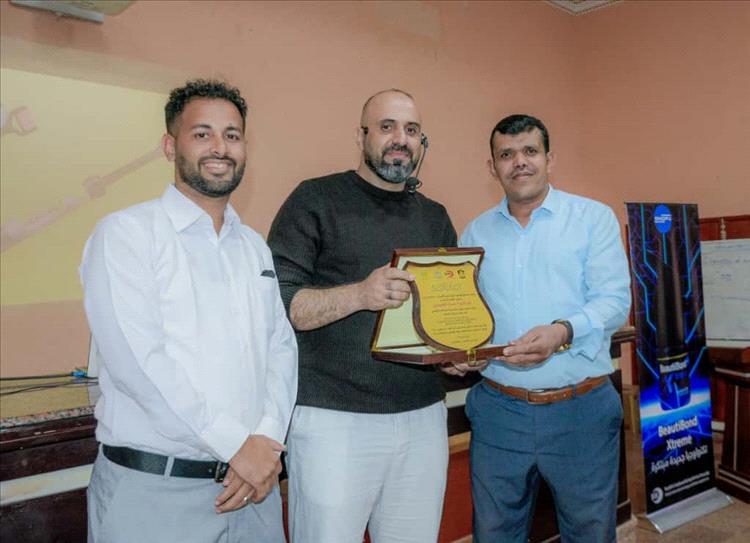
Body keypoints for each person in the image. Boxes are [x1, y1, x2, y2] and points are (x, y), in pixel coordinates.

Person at [81, 79, 297, 543]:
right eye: (202, 134)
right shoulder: (126, 235)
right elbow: (139, 364)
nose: (220, 147)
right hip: (157, 492)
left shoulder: (253, 246)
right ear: (169, 145)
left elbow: (280, 347)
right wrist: (237, 446)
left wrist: (266, 441)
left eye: (232, 135)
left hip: (253, 489)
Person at [267, 89, 459, 543]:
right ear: (361, 135)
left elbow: (445, 316)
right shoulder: (315, 199)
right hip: (334, 421)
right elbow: (280, 304)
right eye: (387, 127)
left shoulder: (436, 218)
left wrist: (455, 353)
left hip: (424, 417)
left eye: (411, 130)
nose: (400, 139)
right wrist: (360, 294)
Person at [460, 114, 631, 543]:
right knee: (494, 533)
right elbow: (467, 315)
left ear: (549, 159)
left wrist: (562, 332)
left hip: (580, 411)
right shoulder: (475, 232)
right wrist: (459, 351)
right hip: (498, 412)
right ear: (492, 167)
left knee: (590, 533)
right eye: (507, 154)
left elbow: (614, 301)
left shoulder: (593, 218)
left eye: (530, 151)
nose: (519, 162)